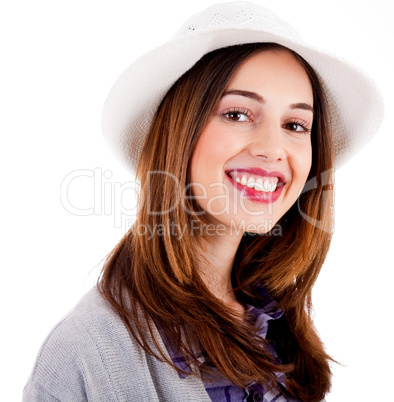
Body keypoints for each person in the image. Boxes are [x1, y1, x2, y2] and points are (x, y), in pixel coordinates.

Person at [23, 2, 384, 401]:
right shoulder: (83, 352)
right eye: (238, 114)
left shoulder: (278, 323)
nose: (273, 149)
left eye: (295, 125)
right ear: (179, 132)